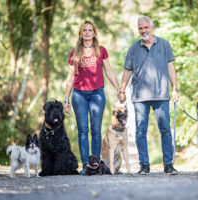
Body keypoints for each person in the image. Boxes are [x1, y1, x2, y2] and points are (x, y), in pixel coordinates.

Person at [118, 16, 179, 175]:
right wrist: (122, 90)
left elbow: (171, 68)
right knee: (140, 131)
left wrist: (175, 89)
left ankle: (168, 165)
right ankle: (144, 165)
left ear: (152, 27)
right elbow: (127, 70)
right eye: (140, 28)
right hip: (140, 97)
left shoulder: (164, 44)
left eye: (146, 27)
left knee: (165, 130)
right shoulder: (133, 48)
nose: (143, 30)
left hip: (161, 95)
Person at [64, 21, 119, 175]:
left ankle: (96, 165)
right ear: (81, 34)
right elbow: (70, 77)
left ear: (94, 33)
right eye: (84, 30)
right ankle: (85, 165)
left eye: (90, 30)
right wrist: (66, 99)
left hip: (97, 95)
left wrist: (119, 89)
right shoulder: (75, 53)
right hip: (79, 95)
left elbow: (108, 71)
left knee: (95, 130)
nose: (87, 32)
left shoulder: (101, 51)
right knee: (82, 130)